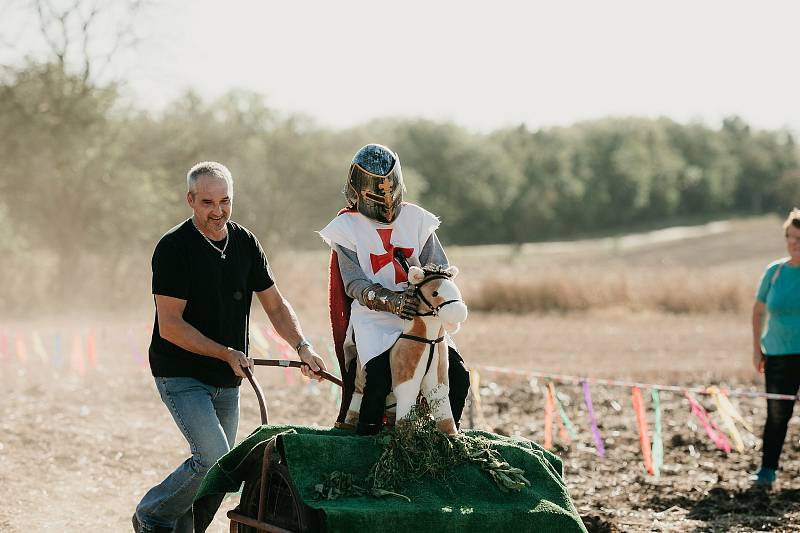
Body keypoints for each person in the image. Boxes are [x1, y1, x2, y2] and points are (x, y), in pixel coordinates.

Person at [133, 162, 327, 533]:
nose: (218, 211)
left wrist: (302, 346)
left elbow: (275, 304)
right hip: (181, 373)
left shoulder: (245, 242)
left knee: (222, 473)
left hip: (229, 376)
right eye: (207, 202)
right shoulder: (174, 248)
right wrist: (225, 352)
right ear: (190, 200)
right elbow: (170, 326)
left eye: (225, 201)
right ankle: (153, 514)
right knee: (213, 458)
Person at [319, 143, 470, 436]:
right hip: (374, 317)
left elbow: (438, 268)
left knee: (458, 374)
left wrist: (427, 297)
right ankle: (366, 444)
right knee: (378, 377)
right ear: (358, 191)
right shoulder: (346, 227)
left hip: (422, 315)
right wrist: (392, 301)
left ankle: (446, 440)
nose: (386, 203)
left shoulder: (417, 220)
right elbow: (354, 284)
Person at [750, 208, 800, 488]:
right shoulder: (775, 272)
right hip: (778, 355)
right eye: (791, 237)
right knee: (777, 415)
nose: (794, 243)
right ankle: (767, 471)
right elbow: (758, 311)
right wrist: (757, 349)